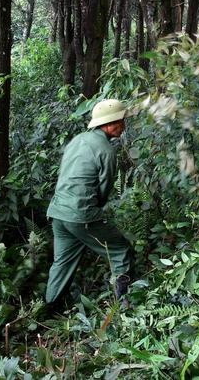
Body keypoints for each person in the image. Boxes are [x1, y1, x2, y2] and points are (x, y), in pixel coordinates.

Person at [45, 99, 134, 312]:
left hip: (58, 213)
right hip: (81, 215)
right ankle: (125, 306)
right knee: (120, 250)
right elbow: (104, 190)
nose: (124, 126)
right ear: (110, 123)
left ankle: (49, 310)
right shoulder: (106, 150)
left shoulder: (77, 140)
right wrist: (94, 211)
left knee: (62, 263)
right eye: (122, 121)